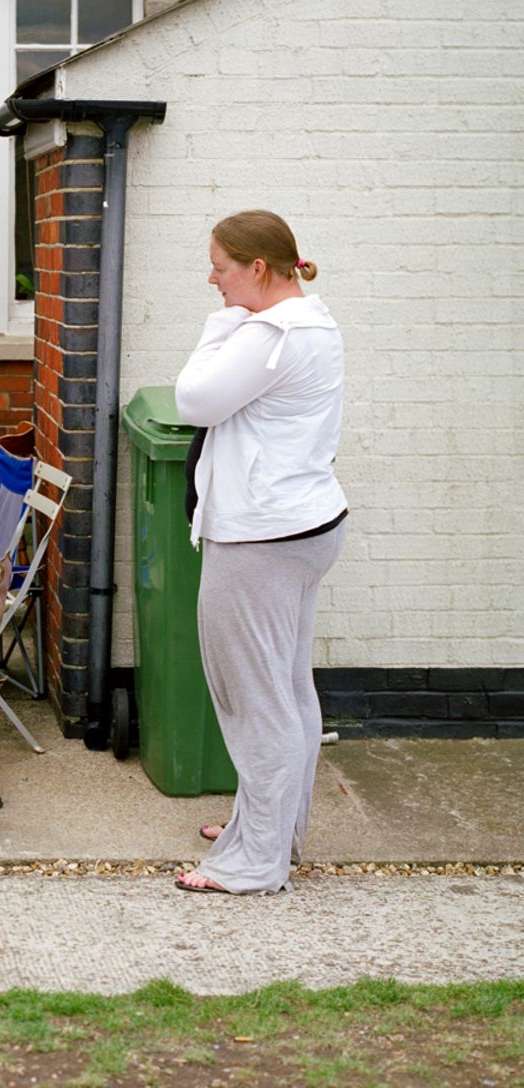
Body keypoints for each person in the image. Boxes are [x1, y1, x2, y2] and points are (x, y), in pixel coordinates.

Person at [172, 210, 348, 895]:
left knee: (256, 701)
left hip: (261, 540)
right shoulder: (313, 322)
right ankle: (275, 826)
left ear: (258, 270)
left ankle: (255, 862)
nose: (211, 278)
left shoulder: (271, 333)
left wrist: (223, 325)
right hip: (307, 526)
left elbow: (195, 399)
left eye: (220, 267)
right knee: (289, 692)